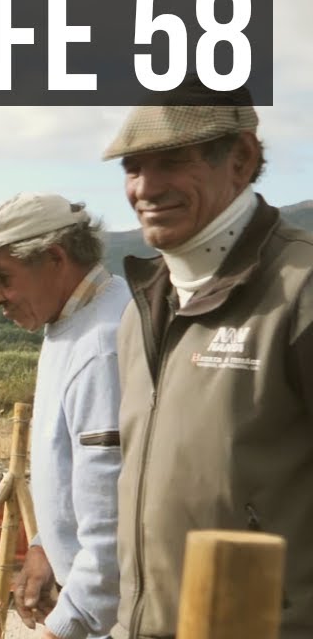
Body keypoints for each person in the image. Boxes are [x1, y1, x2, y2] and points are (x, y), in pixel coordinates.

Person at [102, 85, 313, 639]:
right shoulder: (143, 309)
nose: (146, 187)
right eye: (133, 166)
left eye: (173, 160)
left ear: (240, 159)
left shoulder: (301, 291)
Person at [0, 192, 128, 639]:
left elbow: (115, 513)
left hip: (110, 617)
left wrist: (67, 624)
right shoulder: (72, 322)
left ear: (54, 257)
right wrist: (43, 545)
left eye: (1, 278)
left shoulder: (104, 343)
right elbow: (74, 472)